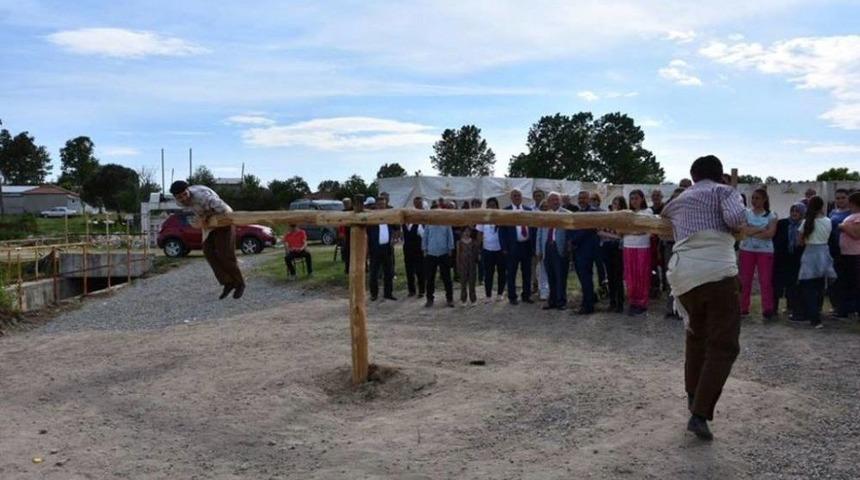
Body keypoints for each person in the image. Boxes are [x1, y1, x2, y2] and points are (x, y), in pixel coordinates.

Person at [662, 155, 746, 441]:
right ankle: (699, 412)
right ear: (721, 175)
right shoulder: (725, 191)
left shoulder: (678, 200)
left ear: (692, 176)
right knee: (723, 345)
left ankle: (693, 394)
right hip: (717, 274)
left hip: (684, 277)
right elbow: (736, 220)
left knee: (696, 337)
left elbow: (663, 219)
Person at [169, 180, 245, 299]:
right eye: (180, 197)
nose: (183, 198)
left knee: (224, 254)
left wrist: (208, 215)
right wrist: (202, 217)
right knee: (208, 251)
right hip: (209, 224)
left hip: (223, 220)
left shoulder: (203, 196)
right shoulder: (180, 203)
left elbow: (225, 210)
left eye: (185, 194)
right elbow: (196, 210)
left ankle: (240, 283)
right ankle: (228, 282)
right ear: (175, 197)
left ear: (188, 190)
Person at [738, 188, 778, 320]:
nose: (754, 201)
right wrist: (761, 229)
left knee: (765, 280)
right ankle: (743, 307)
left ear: (764, 200)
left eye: (757, 198)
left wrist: (752, 230)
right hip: (747, 249)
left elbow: (770, 234)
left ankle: (767, 308)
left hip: (765, 251)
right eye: (753, 198)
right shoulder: (746, 213)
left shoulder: (771, 215)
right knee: (745, 280)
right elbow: (744, 230)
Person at [796, 196, 836, 328]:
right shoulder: (828, 221)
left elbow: (799, 241)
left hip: (810, 253)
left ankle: (812, 316)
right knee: (819, 287)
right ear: (822, 206)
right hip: (824, 252)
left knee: (808, 288)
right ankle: (816, 313)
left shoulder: (806, 222)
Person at [536, 192, 572, 310]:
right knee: (550, 276)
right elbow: (539, 234)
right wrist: (539, 250)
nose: (555, 202)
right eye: (552, 200)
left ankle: (561, 301)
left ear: (560, 201)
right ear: (548, 202)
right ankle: (552, 300)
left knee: (561, 276)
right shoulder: (545, 215)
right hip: (547, 248)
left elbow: (570, 234)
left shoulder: (567, 214)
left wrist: (568, 248)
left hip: (560, 248)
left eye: (557, 199)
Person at [500, 189, 534, 305]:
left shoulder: (529, 210)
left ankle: (526, 295)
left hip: (526, 246)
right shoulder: (505, 212)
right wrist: (504, 247)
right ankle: (512, 296)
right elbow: (502, 231)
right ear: (511, 198)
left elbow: (533, 229)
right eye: (514, 196)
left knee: (527, 273)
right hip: (512, 247)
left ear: (522, 197)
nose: (517, 197)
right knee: (511, 273)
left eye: (519, 195)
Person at [622, 190, 653, 316]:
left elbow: (647, 229)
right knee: (630, 276)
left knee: (642, 275)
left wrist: (633, 231)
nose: (634, 201)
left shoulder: (648, 212)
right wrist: (634, 231)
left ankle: (642, 302)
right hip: (628, 245)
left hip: (642, 246)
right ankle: (633, 301)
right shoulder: (626, 213)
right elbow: (621, 229)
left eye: (636, 198)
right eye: (632, 199)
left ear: (642, 199)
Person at [569, 191, 600, 314]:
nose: (581, 200)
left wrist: (573, 241)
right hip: (578, 250)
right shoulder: (577, 213)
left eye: (584, 198)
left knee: (586, 278)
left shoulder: (593, 212)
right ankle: (589, 300)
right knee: (583, 279)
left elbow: (587, 229)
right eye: (579, 198)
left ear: (589, 199)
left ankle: (588, 306)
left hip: (588, 251)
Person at [773, 203, 806, 319]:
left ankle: (791, 307)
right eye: (792, 211)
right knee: (777, 283)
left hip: (796, 259)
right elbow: (775, 238)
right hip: (781, 258)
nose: (794, 214)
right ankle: (773, 308)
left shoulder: (804, 225)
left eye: (797, 211)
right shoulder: (782, 223)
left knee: (793, 285)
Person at [422, 206, 455, 308]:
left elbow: (450, 236)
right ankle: (429, 299)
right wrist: (424, 249)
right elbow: (425, 237)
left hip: (444, 253)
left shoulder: (446, 223)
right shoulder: (428, 224)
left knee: (446, 278)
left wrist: (450, 249)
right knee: (430, 278)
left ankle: (450, 299)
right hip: (431, 254)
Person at [828, 189, 853, 318]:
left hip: (849, 250)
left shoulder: (852, 213)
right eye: (837, 198)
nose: (840, 200)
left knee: (848, 280)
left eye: (843, 198)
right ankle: (838, 306)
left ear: (848, 199)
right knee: (836, 280)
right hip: (834, 249)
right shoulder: (832, 213)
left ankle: (848, 308)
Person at [366, 197, 396, 302]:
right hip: (375, 249)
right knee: (374, 273)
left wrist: (394, 238)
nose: (382, 206)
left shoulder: (389, 215)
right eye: (380, 204)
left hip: (387, 248)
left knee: (389, 272)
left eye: (383, 204)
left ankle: (388, 293)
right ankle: (374, 294)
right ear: (376, 205)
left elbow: (396, 227)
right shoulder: (372, 217)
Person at [599, 196, 626, 313]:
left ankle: (620, 303)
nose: (615, 205)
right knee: (610, 276)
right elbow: (599, 231)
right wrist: (614, 236)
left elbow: (621, 234)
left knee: (618, 276)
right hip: (607, 247)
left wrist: (609, 235)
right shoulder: (607, 216)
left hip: (618, 248)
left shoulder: (624, 216)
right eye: (614, 203)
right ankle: (612, 302)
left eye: (618, 203)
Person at [477, 197, 506, 302]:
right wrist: (479, 249)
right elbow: (479, 234)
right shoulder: (483, 218)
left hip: (500, 250)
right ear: (487, 206)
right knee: (488, 273)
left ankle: (500, 293)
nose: (491, 207)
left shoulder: (502, 217)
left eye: (493, 205)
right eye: (489, 205)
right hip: (487, 250)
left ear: (497, 206)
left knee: (501, 272)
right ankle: (488, 295)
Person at [836, 192, 860, 318]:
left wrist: (843, 226)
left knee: (855, 283)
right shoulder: (852, 216)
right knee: (847, 283)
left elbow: (856, 235)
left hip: (855, 254)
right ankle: (847, 308)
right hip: (846, 253)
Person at [403, 197, 426, 298]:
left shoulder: (420, 222)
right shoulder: (404, 224)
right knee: (409, 270)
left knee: (420, 270)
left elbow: (423, 235)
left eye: (419, 204)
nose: (417, 206)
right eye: (416, 204)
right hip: (407, 249)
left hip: (417, 249)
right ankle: (411, 290)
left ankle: (421, 290)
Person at [457, 225, 480, 305]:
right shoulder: (459, 243)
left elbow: (476, 254)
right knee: (463, 283)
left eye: (468, 231)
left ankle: (473, 299)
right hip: (463, 265)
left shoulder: (474, 242)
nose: (466, 233)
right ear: (462, 232)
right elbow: (458, 256)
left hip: (472, 265)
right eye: (465, 231)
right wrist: (458, 266)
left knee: (472, 283)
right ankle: (463, 300)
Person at [530, 190, 546, 293]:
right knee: (534, 266)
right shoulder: (530, 210)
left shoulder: (547, 208)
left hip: (545, 240)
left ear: (543, 197)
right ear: (533, 197)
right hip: (533, 239)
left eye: (540, 196)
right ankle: (535, 285)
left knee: (544, 266)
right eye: (536, 196)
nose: (538, 197)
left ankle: (545, 288)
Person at [340, 198, 352, 274]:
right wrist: (341, 232)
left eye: (347, 203)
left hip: (355, 232)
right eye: (344, 204)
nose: (346, 205)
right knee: (347, 251)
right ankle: (347, 269)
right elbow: (341, 223)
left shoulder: (354, 210)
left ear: (350, 203)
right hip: (347, 234)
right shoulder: (343, 212)